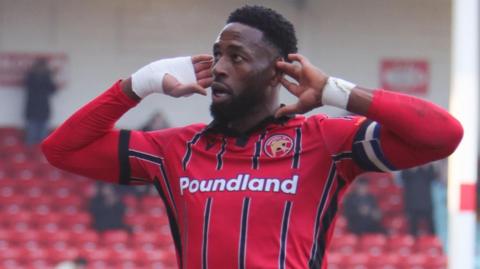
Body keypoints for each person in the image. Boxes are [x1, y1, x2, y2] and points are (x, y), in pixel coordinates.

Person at [41, 5, 463, 269]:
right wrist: (140, 82)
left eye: (237, 57)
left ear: (278, 71)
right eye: (219, 54)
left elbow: (442, 135)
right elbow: (61, 149)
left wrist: (336, 91)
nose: (220, 67)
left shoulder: (325, 142)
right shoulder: (173, 150)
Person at [23, 57, 57, 145]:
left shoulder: (31, 76)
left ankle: (36, 155)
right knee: (35, 137)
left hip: (37, 109)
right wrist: (50, 75)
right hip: (37, 108)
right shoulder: (33, 76)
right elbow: (52, 89)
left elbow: (52, 90)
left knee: (38, 137)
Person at [400, 163, 437, 236]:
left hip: (426, 202)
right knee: (413, 228)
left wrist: (425, 167)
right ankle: (414, 245)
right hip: (412, 202)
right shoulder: (407, 163)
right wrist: (412, 168)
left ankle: (431, 244)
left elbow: (433, 177)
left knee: (431, 228)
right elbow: (403, 176)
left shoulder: (428, 163)